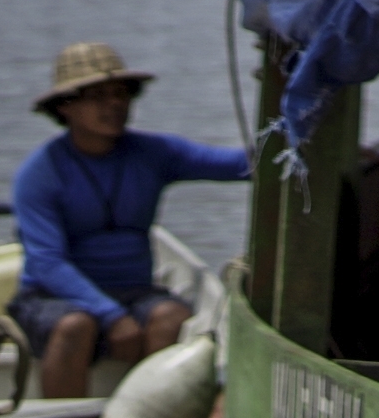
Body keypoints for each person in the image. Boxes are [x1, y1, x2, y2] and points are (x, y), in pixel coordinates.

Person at [16, 43, 248, 399]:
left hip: (134, 291)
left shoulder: (153, 154)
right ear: (66, 107)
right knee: (76, 325)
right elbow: (46, 263)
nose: (114, 105)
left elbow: (238, 164)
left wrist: (306, 146)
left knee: (170, 317)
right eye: (97, 96)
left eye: (121, 94)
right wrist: (111, 316)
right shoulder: (41, 173)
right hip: (52, 297)